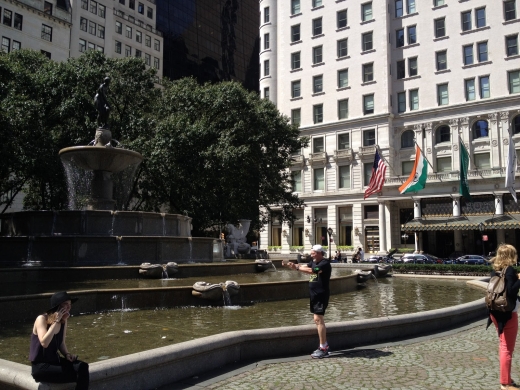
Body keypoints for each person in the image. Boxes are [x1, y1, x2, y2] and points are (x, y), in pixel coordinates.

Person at [30, 291, 89, 389]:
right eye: (66, 304)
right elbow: (44, 343)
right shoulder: (41, 319)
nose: (69, 307)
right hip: (42, 366)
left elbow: (61, 343)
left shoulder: (64, 320)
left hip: (54, 361)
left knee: (82, 367)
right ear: (57, 307)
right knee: (78, 374)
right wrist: (55, 322)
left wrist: (67, 354)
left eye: (70, 304)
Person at [282, 244, 332, 359]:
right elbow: (305, 266)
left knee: (318, 319)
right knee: (317, 319)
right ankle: (324, 346)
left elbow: (312, 271)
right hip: (314, 295)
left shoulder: (324, 263)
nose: (311, 253)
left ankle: (324, 348)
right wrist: (293, 265)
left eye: (313, 252)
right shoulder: (313, 261)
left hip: (321, 294)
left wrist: (297, 268)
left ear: (319, 253)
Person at [487, 244, 520, 390]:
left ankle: (506, 378)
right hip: (507, 314)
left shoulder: (495, 271)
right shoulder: (510, 270)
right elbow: (511, 291)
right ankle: (505, 382)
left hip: (495, 313)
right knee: (507, 348)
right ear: (511, 255)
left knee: (503, 345)